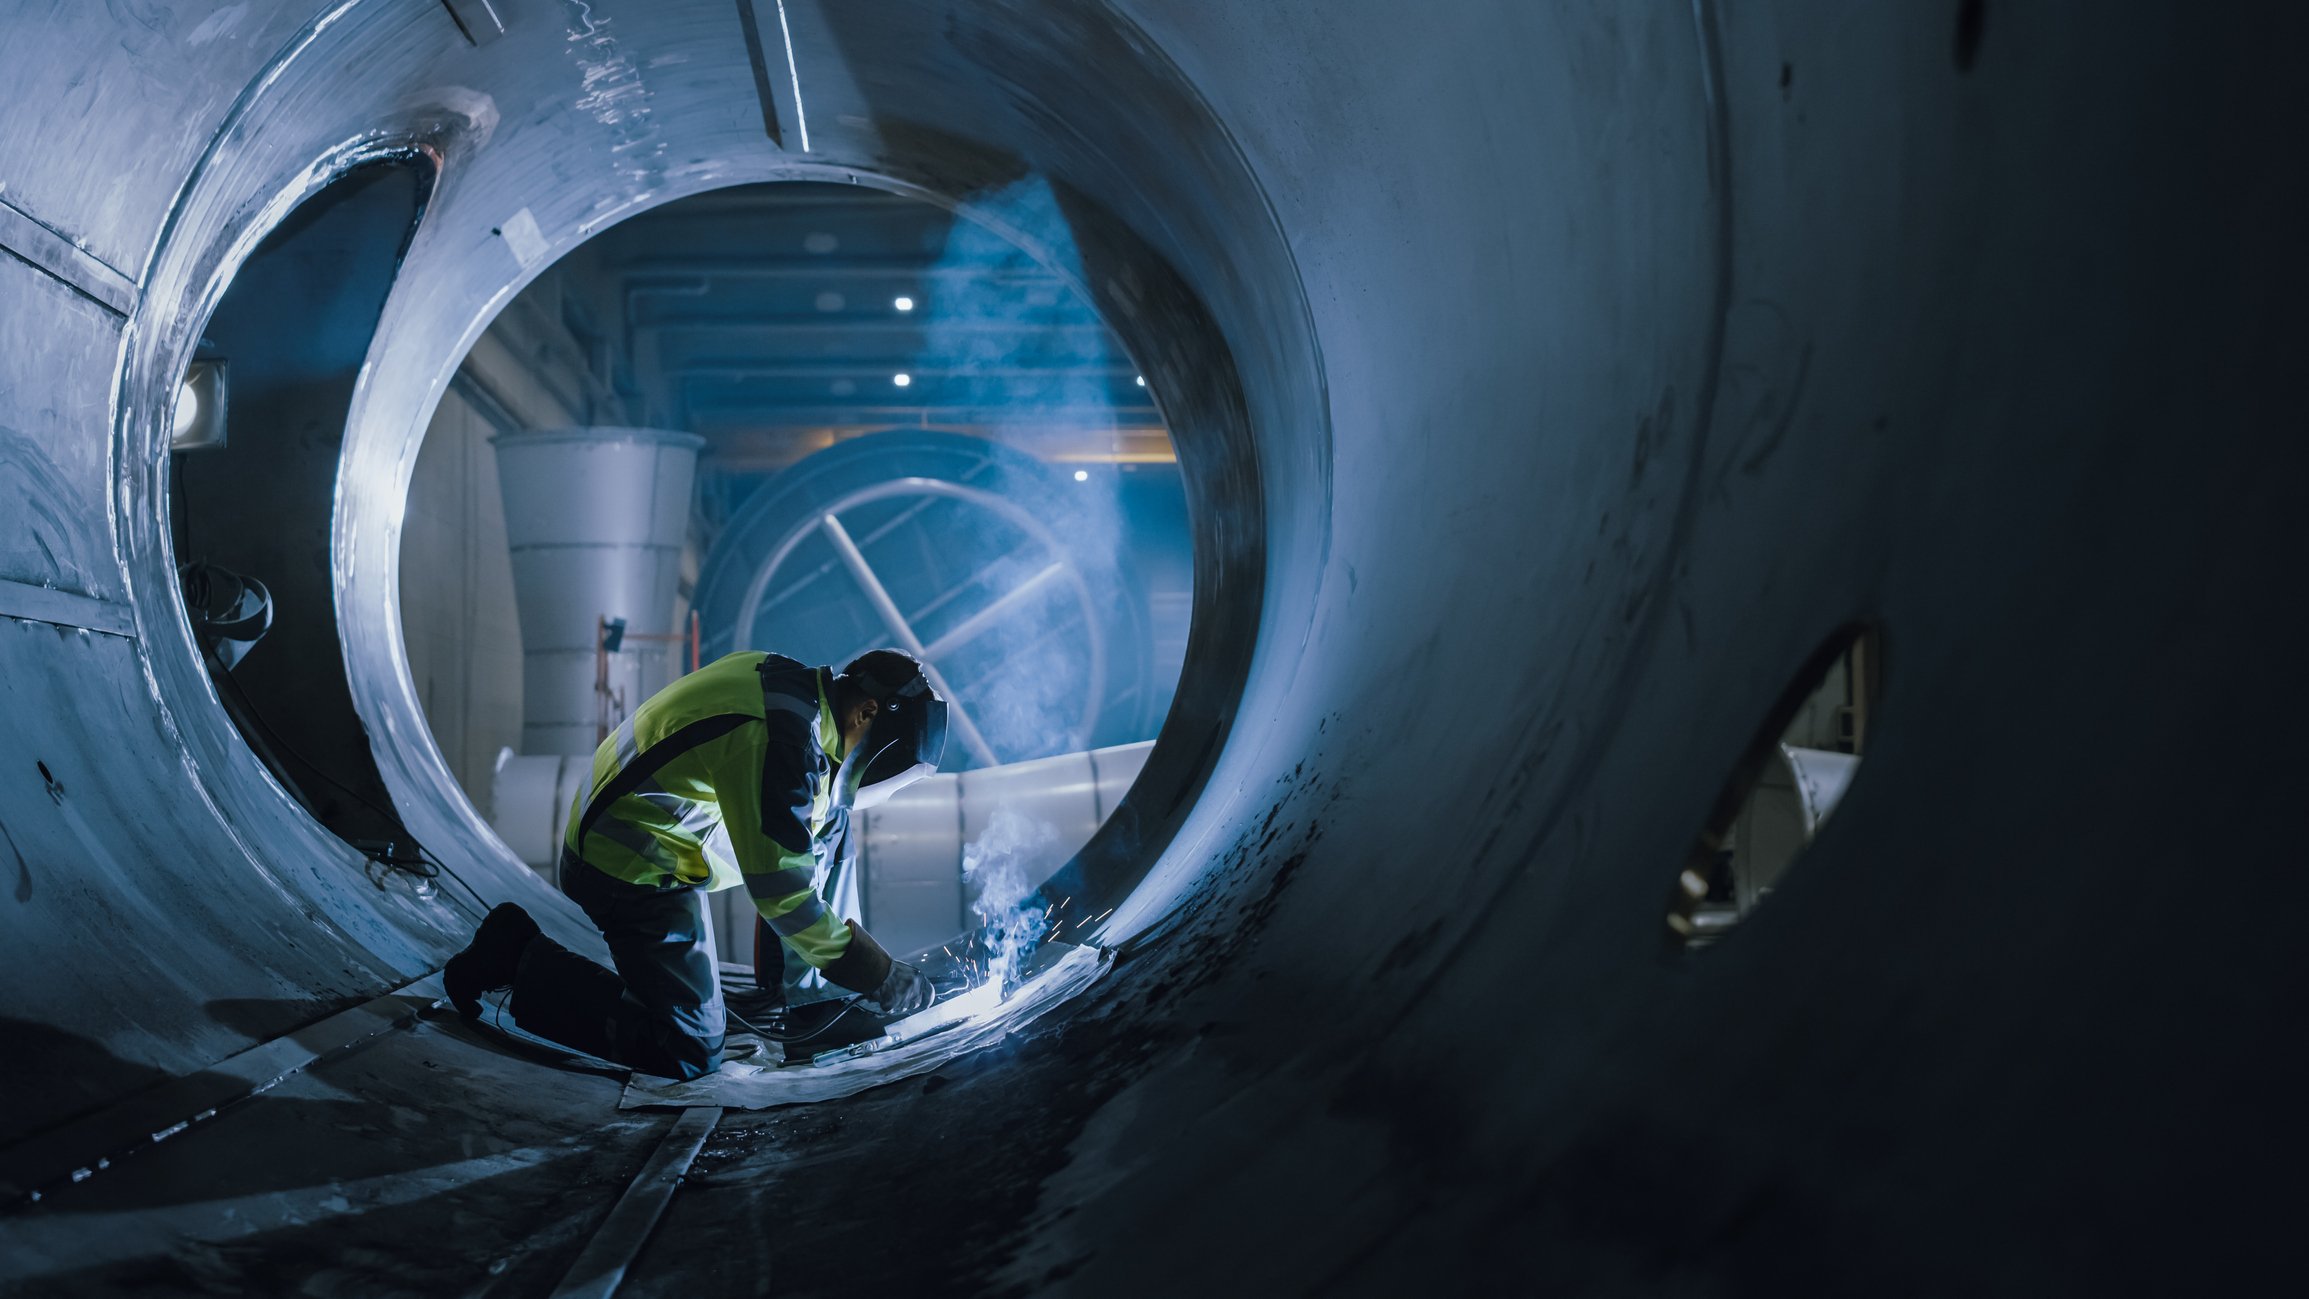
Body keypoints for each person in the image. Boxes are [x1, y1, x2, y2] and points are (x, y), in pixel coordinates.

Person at [443, 648, 946, 1079]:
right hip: (629, 861)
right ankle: (515, 957)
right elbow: (782, 895)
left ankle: (817, 1008)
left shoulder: (793, 691)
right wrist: (876, 973)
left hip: (644, 818)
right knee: (688, 1050)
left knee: (830, 818)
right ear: (867, 712)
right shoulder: (783, 742)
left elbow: (808, 824)